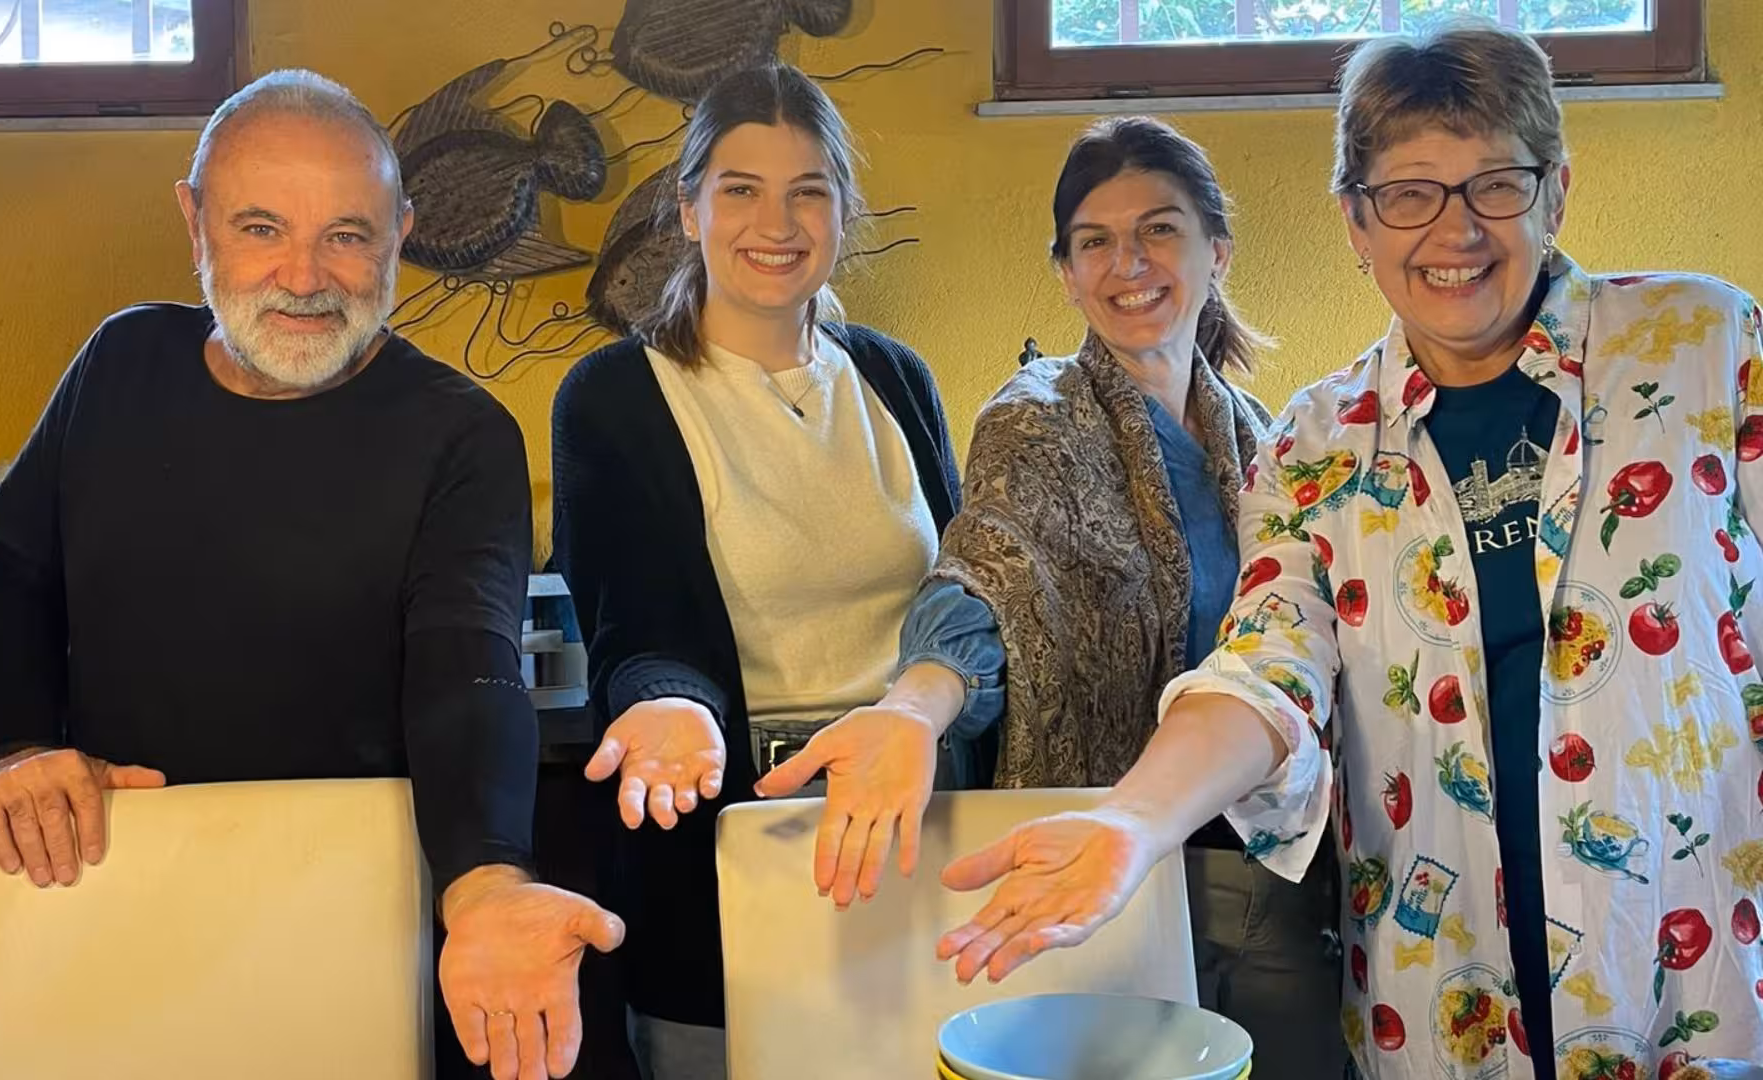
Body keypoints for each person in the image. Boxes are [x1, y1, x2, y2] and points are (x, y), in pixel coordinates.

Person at [933, 18, 1763, 1078]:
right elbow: (1264, 665)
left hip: (1694, 968)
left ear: (1554, 193)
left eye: (1494, 185)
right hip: (1444, 985)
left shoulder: (1702, 344)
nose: (1455, 230)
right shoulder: (1317, 444)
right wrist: (1135, 822)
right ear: (1356, 222)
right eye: (1410, 194)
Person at [0, 69, 619, 1080]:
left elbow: (467, 664)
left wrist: (487, 874)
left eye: (347, 235)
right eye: (261, 228)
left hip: (352, 900)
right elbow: (12, 581)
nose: (305, 277)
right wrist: (22, 748)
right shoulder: (121, 361)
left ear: (399, 234)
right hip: (111, 877)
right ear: (196, 223)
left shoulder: (461, 432)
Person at [758, 116, 1345, 1072]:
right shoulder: (1036, 420)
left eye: (1159, 230)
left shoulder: (1263, 440)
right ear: (1066, 273)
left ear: (1217, 251)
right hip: (1099, 873)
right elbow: (987, 577)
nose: (1128, 264)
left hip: (1267, 869)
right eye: (1095, 241)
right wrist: (913, 708)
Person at [550, 63, 961, 1079]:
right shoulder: (614, 396)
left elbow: (959, 594)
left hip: (915, 825)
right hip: (727, 839)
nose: (775, 223)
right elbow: (635, 622)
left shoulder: (896, 378)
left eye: (807, 190)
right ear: (689, 207)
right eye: (740, 188)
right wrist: (667, 704)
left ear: (841, 212)